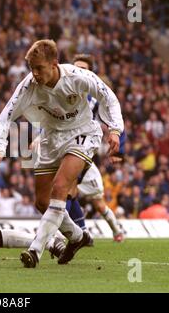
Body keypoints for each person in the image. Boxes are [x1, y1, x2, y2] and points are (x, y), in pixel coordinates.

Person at [0, 40, 124, 268]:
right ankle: (78, 237)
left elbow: (107, 96)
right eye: (31, 69)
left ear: (54, 64)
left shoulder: (77, 76)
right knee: (42, 202)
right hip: (51, 138)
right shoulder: (28, 85)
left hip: (81, 133)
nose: (35, 74)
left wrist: (115, 129)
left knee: (60, 188)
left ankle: (35, 250)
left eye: (39, 68)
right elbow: (6, 116)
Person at [70, 54, 124, 241]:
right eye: (76, 68)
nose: (79, 72)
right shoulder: (64, 90)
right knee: (66, 192)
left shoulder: (94, 100)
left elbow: (113, 119)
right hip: (67, 149)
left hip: (84, 155)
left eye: (84, 69)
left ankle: (116, 231)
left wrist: (119, 151)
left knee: (98, 204)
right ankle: (81, 233)